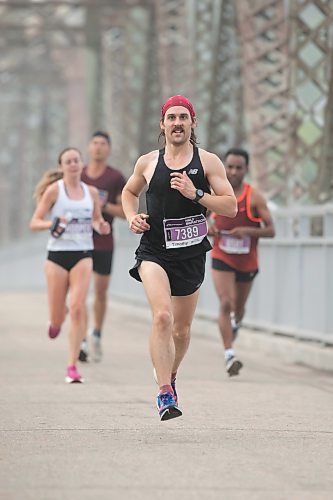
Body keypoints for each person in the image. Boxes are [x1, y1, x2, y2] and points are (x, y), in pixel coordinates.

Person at [121, 95, 237, 421]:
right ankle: (163, 394)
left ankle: (170, 376)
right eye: (171, 117)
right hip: (154, 250)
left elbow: (230, 206)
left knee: (182, 332)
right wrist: (132, 216)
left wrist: (196, 194)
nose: (177, 123)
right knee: (162, 317)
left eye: (183, 117)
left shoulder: (209, 162)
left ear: (193, 123)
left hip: (190, 254)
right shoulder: (147, 162)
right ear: (162, 124)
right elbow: (129, 193)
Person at [30, 147, 110, 383]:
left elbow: (97, 219)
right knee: (58, 318)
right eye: (68, 161)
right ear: (62, 166)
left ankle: (72, 366)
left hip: (83, 254)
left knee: (77, 307)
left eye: (76, 160)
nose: (73, 164)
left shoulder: (91, 192)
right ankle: (55, 321)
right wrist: (52, 223)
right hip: (57, 256)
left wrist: (101, 226)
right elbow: (34, 222)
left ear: (81, 164)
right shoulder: (55, 191)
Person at [209, 147, 275, 377]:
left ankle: (234, 325)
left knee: (238, 307)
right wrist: (210, 228)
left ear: (246, 169)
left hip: (247, 261)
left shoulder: (253, 197)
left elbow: (271, 230)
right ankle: (230, 355)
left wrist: (247, 231)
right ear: (224, 168)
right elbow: (199, 220)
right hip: (221, 255)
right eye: (230, 167)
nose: (234, 171)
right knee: (226, 303)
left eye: (239, 167)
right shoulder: (215, 194)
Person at [79, 131, 126, 363]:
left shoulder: (115, 177)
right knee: (78, 292)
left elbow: (126, 212)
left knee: (99, 292)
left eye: (103, 144)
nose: (98, 148)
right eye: (95, 143)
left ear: (108, 149)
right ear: (89, 147)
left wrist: (103, 203)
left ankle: (96, 333)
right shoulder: (78, 175)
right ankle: (82, 339)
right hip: (79, 240)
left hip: (104, 242)